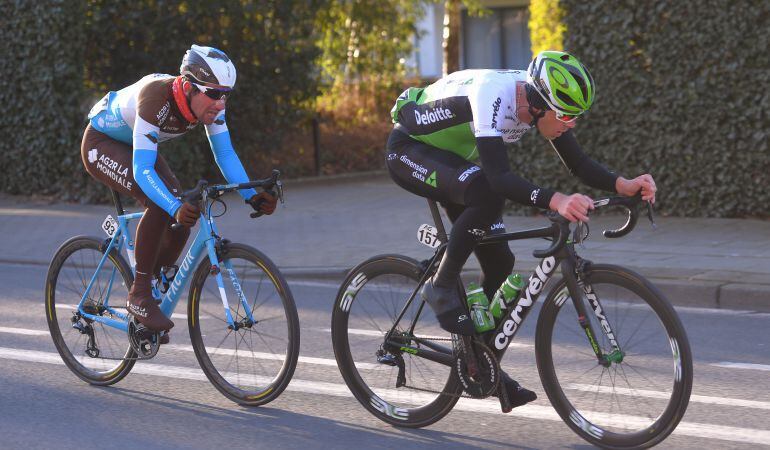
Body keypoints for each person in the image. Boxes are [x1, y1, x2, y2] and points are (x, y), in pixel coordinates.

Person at [386, 50, 657, 408]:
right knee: (485, 191)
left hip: (455, 162)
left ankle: (480, 363)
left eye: (576, 116)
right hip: (410, 150)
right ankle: (441, 286)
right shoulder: (493, 94)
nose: (571, 124)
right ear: (541, 104)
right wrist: (555, 200)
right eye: (566, 115)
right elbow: (499, 179)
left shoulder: (537, 100)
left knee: (500, 262)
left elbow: (576, 162)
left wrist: (622, 184)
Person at [81, 44, 277, 340]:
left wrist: (251, 195)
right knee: (163, 204)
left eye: (226, 94)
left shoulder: (209, 104)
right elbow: (142, 171)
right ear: (187, 87)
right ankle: (140, 295)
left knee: (182, 211)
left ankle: (154, 278)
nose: (220, 102)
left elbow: (224, 154)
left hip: (134, 145)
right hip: (101, 144)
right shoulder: (155, 98)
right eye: (213, 93)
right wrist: (171, 206)